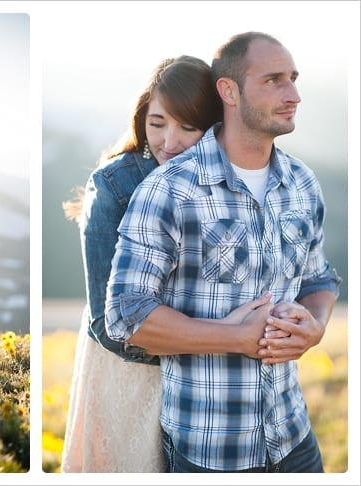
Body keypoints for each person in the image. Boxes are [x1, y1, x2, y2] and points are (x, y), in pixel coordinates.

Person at [105, 32, 342, 473]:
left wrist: (316, 327)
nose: (293, 95)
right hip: (210, 451)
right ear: (228, 91)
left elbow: (320, 279)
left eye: (293, 78)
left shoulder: (303, 184)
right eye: (273, 80)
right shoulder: (168, 189)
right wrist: (236, 338)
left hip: (294, 438)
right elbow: (126, 315)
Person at [60, 56, 276, 473]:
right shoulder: (114, 187)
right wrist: (223, 341)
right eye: (157, 123)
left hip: (215, 377)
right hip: (136, 372)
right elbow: (110, 327)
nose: (170, 141)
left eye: (188, 127)